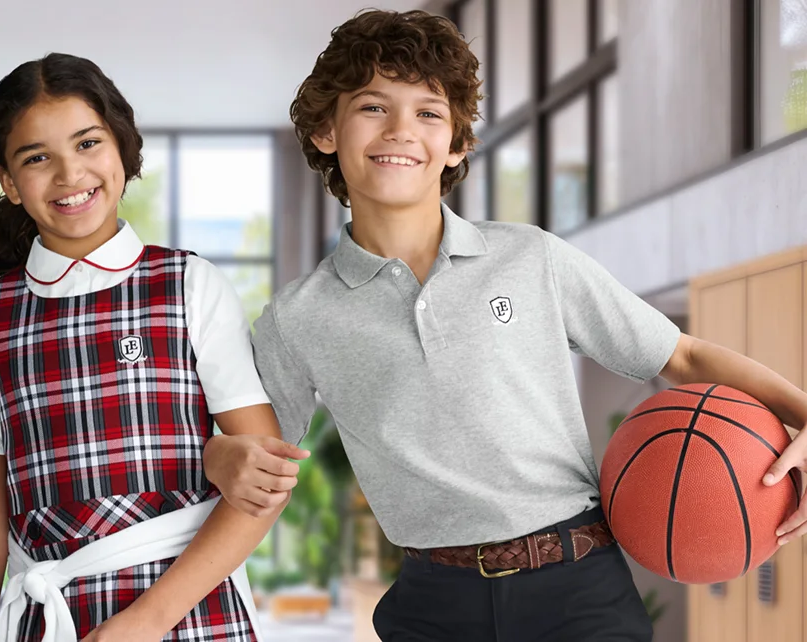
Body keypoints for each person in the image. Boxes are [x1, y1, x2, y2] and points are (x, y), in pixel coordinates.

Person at [202, 9, 807, 641]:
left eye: (429, 112)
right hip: (432, 605)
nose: (402, 130)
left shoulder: (531, 257)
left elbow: (679, 357)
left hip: (580, 588)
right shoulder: (298, 318)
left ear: (458, 144)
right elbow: (253, 460)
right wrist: (219, 456)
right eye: (373, 107)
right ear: (327, 130)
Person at [0, 52, 304, 642]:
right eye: (36, 157)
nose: (69, 174)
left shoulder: (187, 284)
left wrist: (144, 623)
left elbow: (267, 479)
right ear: (8, 183)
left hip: (191, 614)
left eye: (87, 144)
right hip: (51, 616)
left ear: (124, 153)